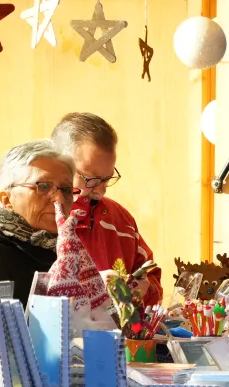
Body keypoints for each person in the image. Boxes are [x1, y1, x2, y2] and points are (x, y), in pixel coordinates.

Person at [51, 113, 163, 305]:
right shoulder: (42, 218)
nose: (101, 190)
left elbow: (152, 279)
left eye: (107, 179)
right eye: (91, 179)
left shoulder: (121, 220)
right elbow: (29, 296)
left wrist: (145, 289)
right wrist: (88, 286)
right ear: (59, 166)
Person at [0, 140, 79, 306]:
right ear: (7, 199)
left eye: (66, 190)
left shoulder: (72, 252)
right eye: (43, 186)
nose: (59, 199)